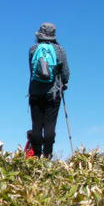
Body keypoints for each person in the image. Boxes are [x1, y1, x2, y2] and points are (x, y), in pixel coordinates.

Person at [28, 22, 70, 158]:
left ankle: (36, 154)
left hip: (35, 92)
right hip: (53, 93)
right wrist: (64, 83)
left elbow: (32, 70)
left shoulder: (33, 49)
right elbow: (65, 72)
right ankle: (47, 154)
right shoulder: (60, 50)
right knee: (50, 125)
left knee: (36, 126)